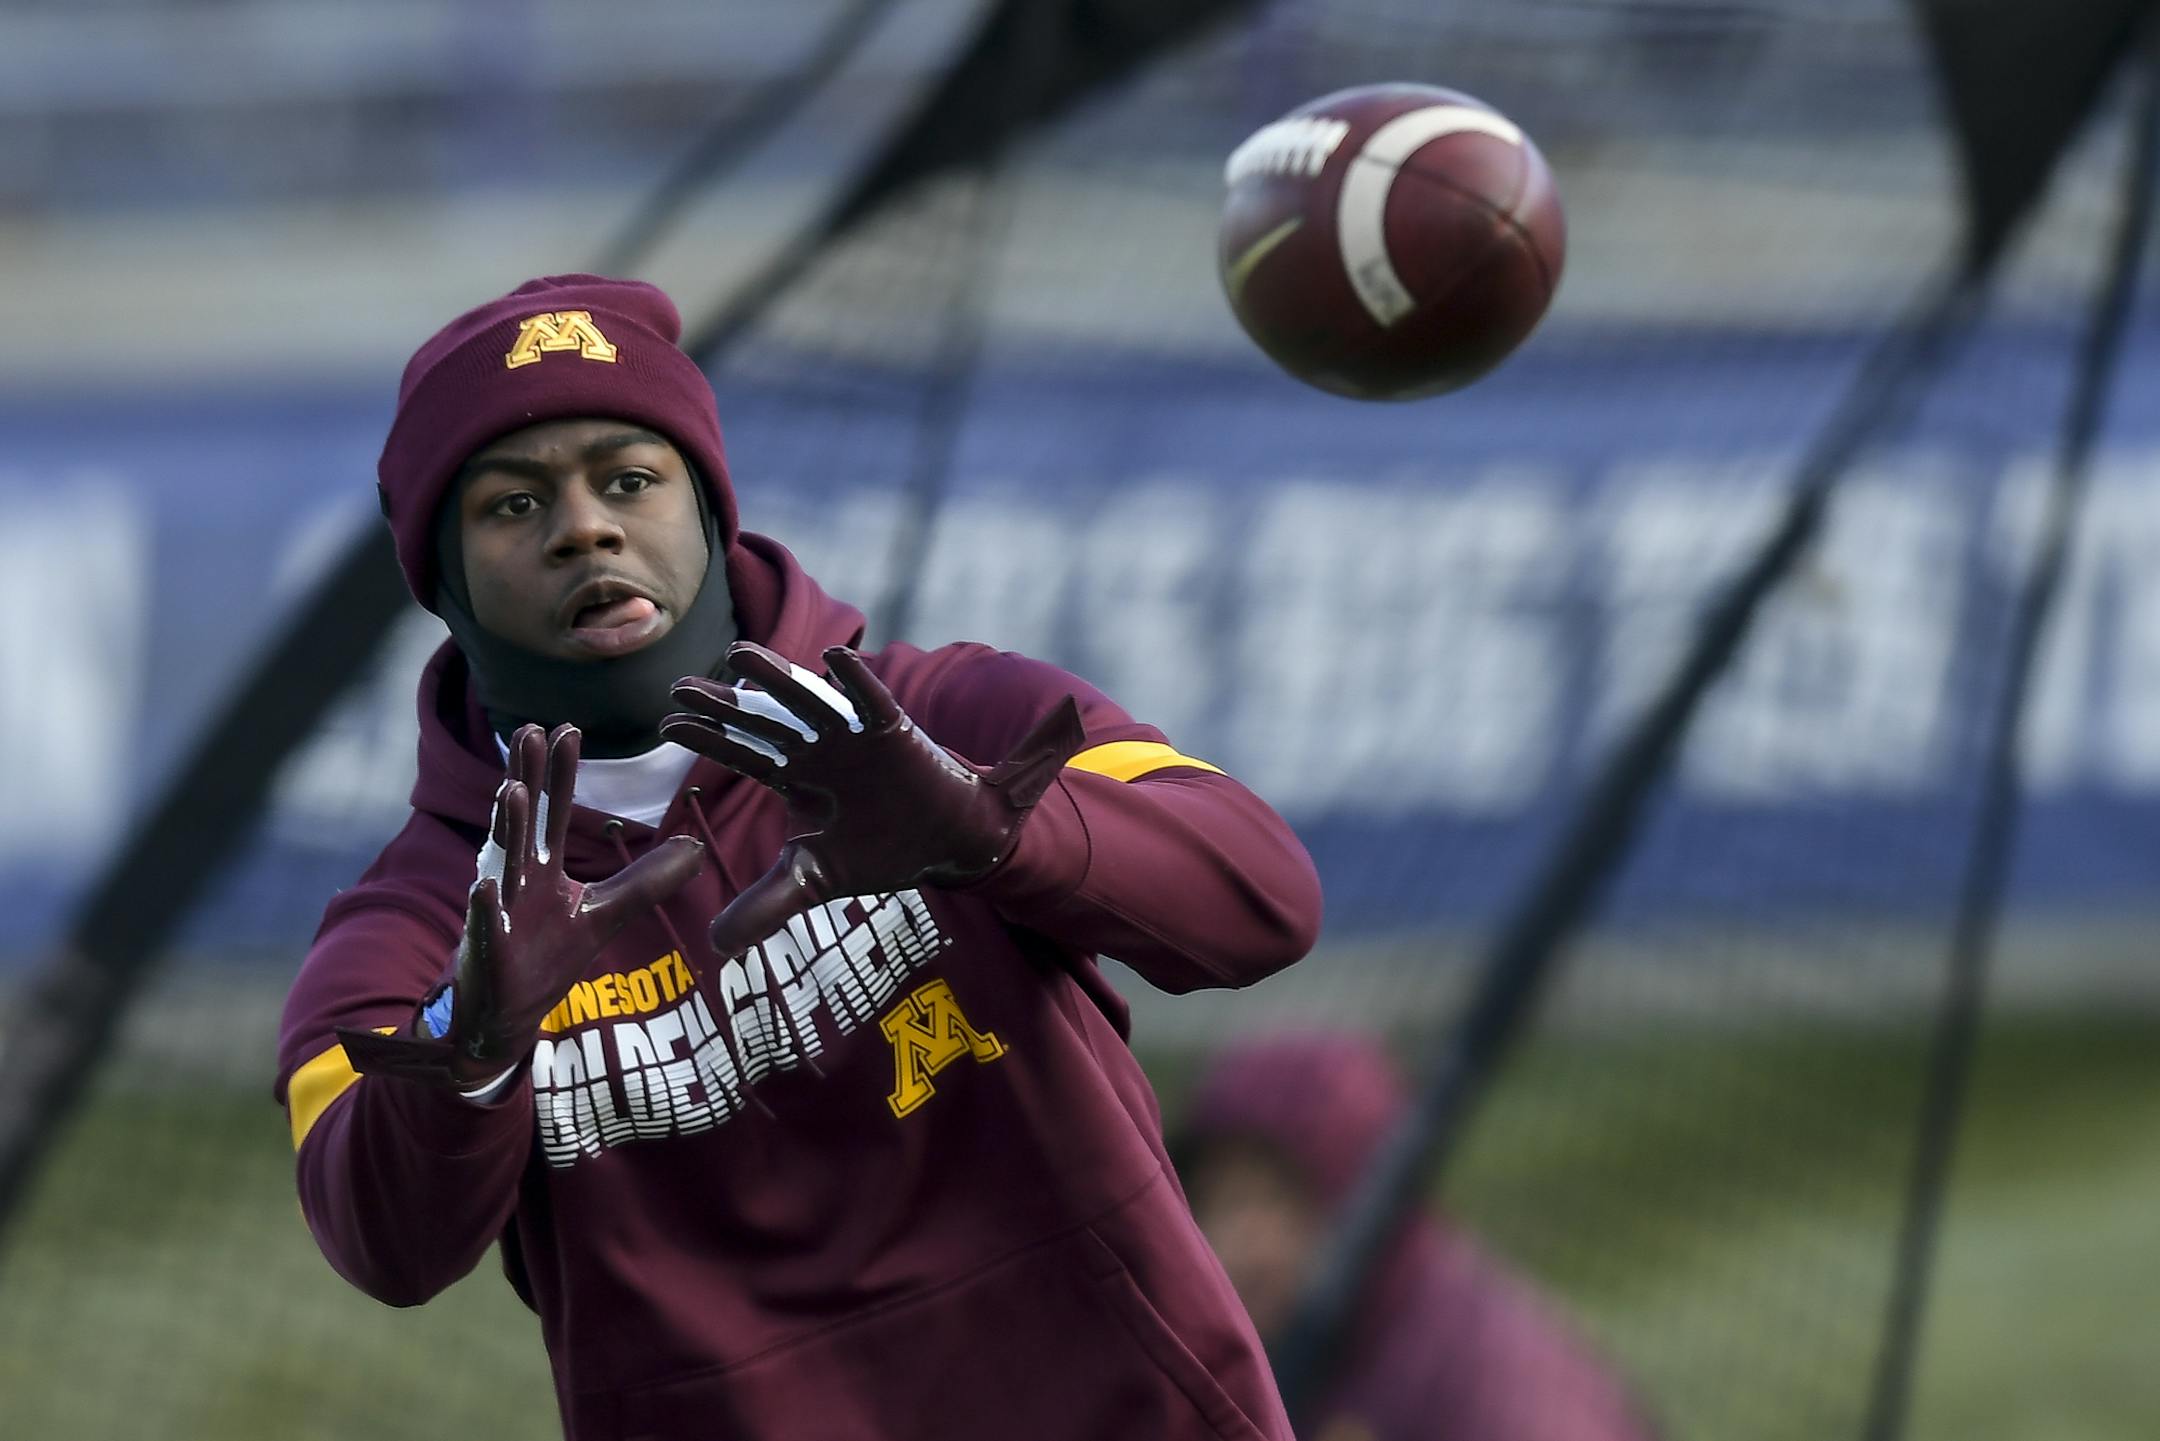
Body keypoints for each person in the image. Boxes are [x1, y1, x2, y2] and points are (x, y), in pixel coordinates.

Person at [273, 274, 1323, 1441]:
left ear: (709, 506)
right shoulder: (425, 918)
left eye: (630, 479)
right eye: (513, 505)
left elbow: (1266, 900)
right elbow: (381, 1245)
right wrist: (468, 1049)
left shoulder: (939, 718)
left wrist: (993, 834)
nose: (584, 527)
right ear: (445, 576)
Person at [1177, 1035, 1661, 1441]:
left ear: (1363, 1194)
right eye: (1216, 1202)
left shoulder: (1500, 1384)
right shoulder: (1308, 1355)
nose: (1238, 1243)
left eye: (1275, 1201)